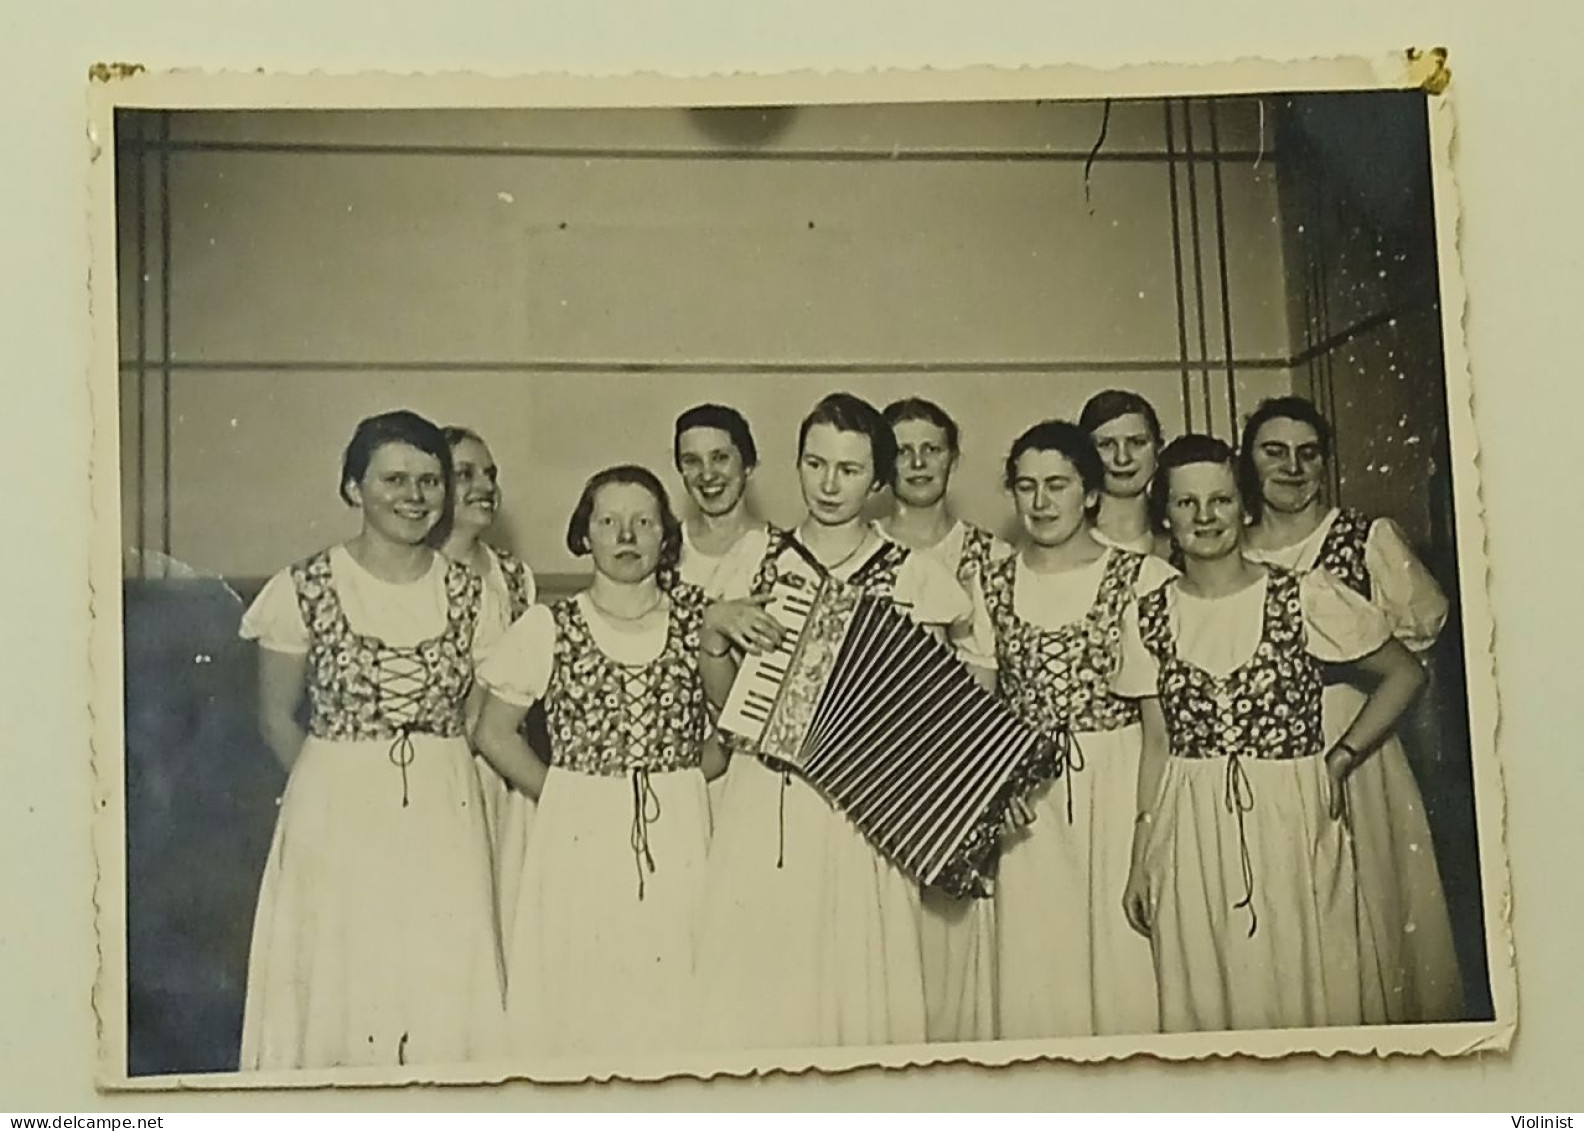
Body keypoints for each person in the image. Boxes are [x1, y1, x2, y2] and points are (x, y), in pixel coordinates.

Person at [693, 391, 980, 1051]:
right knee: (756, 984)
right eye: (815, 463)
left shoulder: (917, 576)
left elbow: (933, 716)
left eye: (848, 470)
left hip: (862, 807)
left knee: (858, 981)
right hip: (764, 798)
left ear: (878, 481)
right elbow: (725, 706)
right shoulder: (754, 559)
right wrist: (715, 632)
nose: (828, 484)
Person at [1116, 434, 1427, 1032]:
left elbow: (1404, 673)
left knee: (1306, 982)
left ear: (1245, 506)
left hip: (1291, 813)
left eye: (1221, 501)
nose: (1205, 518)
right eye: (1186, 504)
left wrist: (1341, 758)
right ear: (1165, 516)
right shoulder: (1146, 614)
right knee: (1208, 988)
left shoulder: (1302, 593)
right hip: (1190, 822)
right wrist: (1141, 860)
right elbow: (1156, 746)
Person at [237, 410, 504, 1070]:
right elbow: (275, 718)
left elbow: (477, 715)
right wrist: (340, 796)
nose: (415, 496)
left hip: (445, 805)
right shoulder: (302, 587)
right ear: (354, 488)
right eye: (394, 479)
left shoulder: (476, 596)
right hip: (335, 805)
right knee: (340, 977)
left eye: (430, 480)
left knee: (439, 977)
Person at [472, 465, 729, 1063]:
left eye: (644, 522)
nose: (627, 535)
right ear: (584, 534)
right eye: (608, 521)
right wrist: (565, 792)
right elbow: (494, 731)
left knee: (675, 981)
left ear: (667, 536)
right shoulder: (550, 626)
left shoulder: (701, 620)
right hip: (579, 825)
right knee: (584, 982)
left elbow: (733, 727)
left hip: (680, 826)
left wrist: (688, 776)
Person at [1238, 396, 1463, 1023]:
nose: (1291, 467)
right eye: (1273, 452)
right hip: (1263, 751)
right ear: (1247, 461)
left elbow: (1416, 648)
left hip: (1355, 740)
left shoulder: (1366, 538)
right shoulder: (1230, 547)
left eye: (1308, 454)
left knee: (1373, 903)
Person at [966, 420, 1176, 1039]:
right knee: (1038, 974)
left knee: (1123, 966)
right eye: (1026, 486)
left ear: (1089, 492)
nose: (1040, 502)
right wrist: (991, 796)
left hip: (1119, 787)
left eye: (1057, 485)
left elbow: (1161, 731)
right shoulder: (992, 581)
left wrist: (1146, 837)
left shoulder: (1144, 579)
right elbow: (979, 714)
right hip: (1027, 801)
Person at [876, 396, 1012, 1043]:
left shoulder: (990, 555)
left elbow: (997, 676)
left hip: (958, 774)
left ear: (954, 458)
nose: (918, 461)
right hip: (872, 776)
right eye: (902, 449)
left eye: (932, 448)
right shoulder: (861, 551)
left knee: (955, 948)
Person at [436, 425, 539, 956]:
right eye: (465, 475)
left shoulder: (515, 578)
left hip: (505, 776)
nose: (485, 486)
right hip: (442, 776)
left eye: (491, 474)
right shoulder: (420, 576)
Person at [673, 404, 774, 592]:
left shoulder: (784, 552)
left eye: (720, 458)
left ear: (747, 465)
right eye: (692, 461)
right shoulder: (664, 550)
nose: (707, 475)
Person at [1079, 390, 1174, 558]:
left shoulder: (1180, 548)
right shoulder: (1067, 547)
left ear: (1158, 449)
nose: (1122, 458)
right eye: (1106, 444)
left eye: (1137, 443)